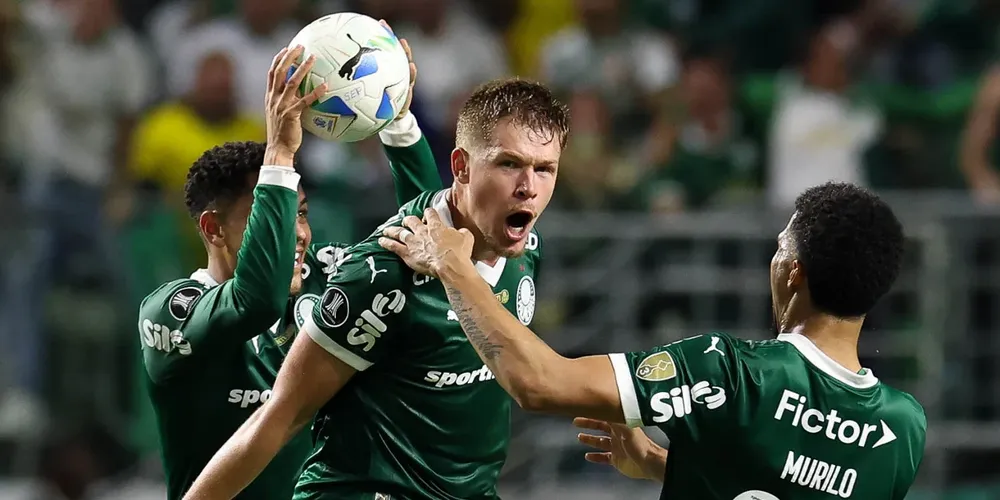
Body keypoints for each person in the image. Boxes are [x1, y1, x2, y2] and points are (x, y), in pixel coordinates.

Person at [379, 182, 927, 499]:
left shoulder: (731, 373)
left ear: (794, 272)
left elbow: (538, 383)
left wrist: (453, 266)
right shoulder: (902, 429)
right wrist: (665, 467)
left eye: (780, 246)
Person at [182, 78, 569, 500]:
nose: (528, 187)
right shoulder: (380, 274)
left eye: (544, 169)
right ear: (461, 166)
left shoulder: (525, 249)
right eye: (508, 164)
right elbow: (279, 417)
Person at [139, 32, 441, 499]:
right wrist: (278, 154)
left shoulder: (327, 277)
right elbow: (257, 299)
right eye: (272, 213)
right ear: (213, 229)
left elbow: (423, 236)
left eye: (300, 212)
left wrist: (394, 116)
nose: (298, 233)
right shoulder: (172, 313)